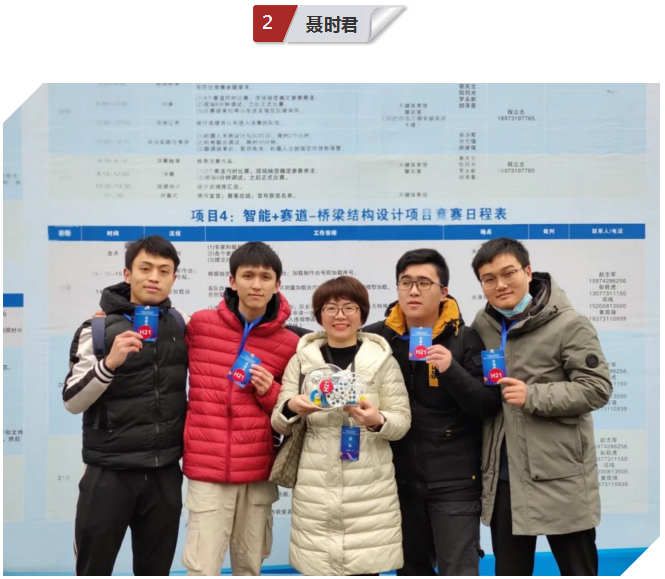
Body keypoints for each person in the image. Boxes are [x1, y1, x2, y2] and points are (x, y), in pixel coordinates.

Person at [470, 237, 612, 576]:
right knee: (510, 570)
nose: (500, 285)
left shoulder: (569, 324)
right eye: (489, 279)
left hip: (561, 475)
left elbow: (597, 388)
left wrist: (533, 396)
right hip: (505, 477)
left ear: (528, 272)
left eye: (508, 273)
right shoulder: (483, 326)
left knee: (578, 569)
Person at [364, 248, 501, 576]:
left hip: (454, 482)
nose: (413, 291)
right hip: (395, 481)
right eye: (406, 282)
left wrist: (451, 370)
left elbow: (487, 404)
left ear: (443, 292)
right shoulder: (377, 339)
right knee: (412, 569)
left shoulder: (466, 338)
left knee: (459, 569)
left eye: (424, 283)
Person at [63, 235, 188, 576]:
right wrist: (109, 364)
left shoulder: (180, 324)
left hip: (164, 474)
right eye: (145, 268)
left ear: (174, 278)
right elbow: (72, 400)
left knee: (155, 571)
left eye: (164, 271)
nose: (154, 277)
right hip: (108, 473)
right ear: (127, 274)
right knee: (94, 569)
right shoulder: (97, 328)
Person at [271, 276, 411, 576]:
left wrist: (377, 421)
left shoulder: (382, 361)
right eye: (331, 308)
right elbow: (278, 422)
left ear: (362, 313)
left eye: (349, 307)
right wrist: (293, 407)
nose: (340, 316)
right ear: (319, 314)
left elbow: (401, 421)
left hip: (370, 493)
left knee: (365, 570)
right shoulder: (302, 361)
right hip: (315, 489)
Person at [181, 241, 301, 576]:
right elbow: (159, 337)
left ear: (277, 284)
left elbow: (289, 410)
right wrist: (110, 318)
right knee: (201, 568)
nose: (256, 284)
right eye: (248, 276)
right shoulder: (200, 325)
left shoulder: (290, 344)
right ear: (232, 281)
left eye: (265, 277)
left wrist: (268, 390)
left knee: (249, 567)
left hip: (258, 472)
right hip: (207, 470)